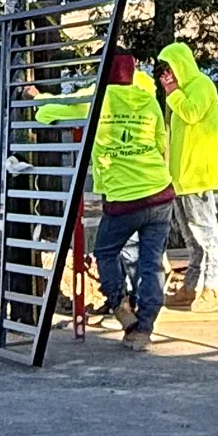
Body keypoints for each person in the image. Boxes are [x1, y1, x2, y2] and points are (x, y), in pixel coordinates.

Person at [87, 47, 175, 352]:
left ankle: (122, 310)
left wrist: (35, 99)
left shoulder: (97, 101)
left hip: (124, 200)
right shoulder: (148, 101)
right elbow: (160, 142)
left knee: (105, 252)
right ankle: (144, 329)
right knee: (151, 263)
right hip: (160, 193)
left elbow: (50, 113)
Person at [157, 41, 218, 310]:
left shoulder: (201, 85)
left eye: (170, 67)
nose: (167, 74)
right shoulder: (180, 94)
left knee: (207, 236)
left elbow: (193, 113)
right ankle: (193, 286)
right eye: (164, 70)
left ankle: (213, 289)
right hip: (181, 178)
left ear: (181, 65)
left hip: (198, 175)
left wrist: (173, 93)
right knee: (191, 238)